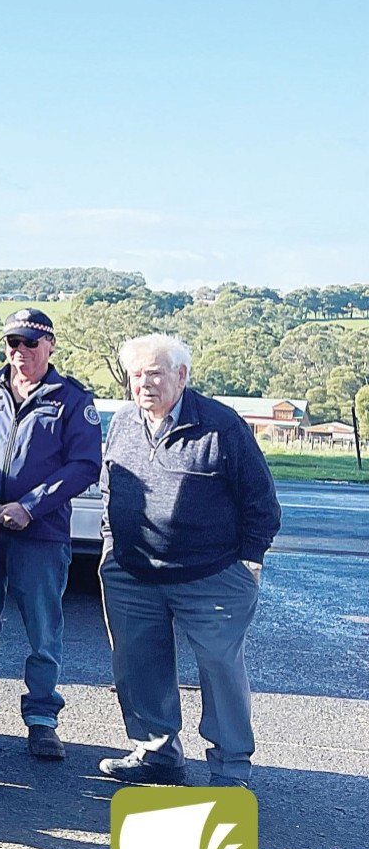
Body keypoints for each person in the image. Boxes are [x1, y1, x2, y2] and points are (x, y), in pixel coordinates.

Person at [98, 334, 279, 789]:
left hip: (212, 575)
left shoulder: (222, 426)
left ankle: (230, 770)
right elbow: (109, 489)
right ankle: (156, 754)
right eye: (136, 374)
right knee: (137, 666)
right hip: (132, 572)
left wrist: (249, 561)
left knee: (220, 670)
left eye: (155, 373)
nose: (144, 383)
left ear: (182, 375)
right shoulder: (122, 422)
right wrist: (108, 545)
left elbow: (261, 503)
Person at [0, 308, 101, 761]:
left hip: (41, 533)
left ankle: (42, 719)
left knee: (43, 632)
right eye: (12, 343)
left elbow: (83, 465)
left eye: (30, 343)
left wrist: (30, 506)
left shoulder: (73, 400)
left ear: (50, 345)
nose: (19, 351)